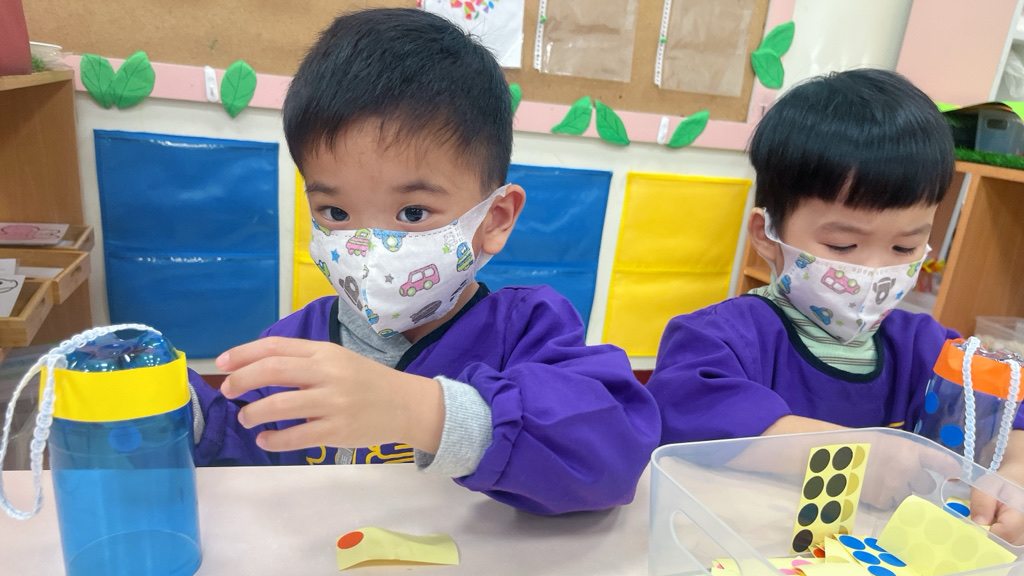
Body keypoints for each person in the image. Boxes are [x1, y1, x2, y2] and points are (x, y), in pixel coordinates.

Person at [187, 7, 660, 516]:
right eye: (335, 212)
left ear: (495, 218)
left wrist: (423, 411)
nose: (369, 249)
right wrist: (182, 411)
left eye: (412, 212)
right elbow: (241, 449)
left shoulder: (526, 330)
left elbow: (613, 453)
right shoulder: (296, 342)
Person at [646, 68, 1024, 541]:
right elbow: (683, 411)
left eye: (905, 248)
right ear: (768, 235)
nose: (874, 270)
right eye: (843, 245)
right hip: (742, 549)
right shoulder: (720, 338)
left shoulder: (927, 349)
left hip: (876, 566)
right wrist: (853, 456)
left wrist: (1015, 471)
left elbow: (1008, 410)